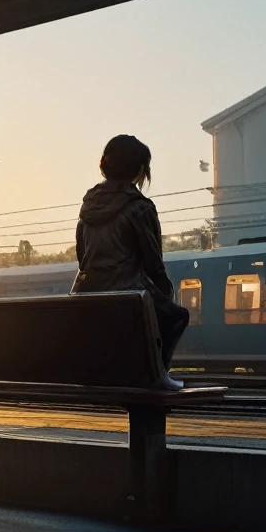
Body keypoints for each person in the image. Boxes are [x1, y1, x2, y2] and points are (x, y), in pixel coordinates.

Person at [71, 135, 189, 370]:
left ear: (104, 164)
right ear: (140, 169)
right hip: (130, 298)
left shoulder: (88, 206)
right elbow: (154, 264)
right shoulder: (140, 208)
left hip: (85, 297)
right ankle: (157, 376)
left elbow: (82, 258)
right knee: (176, 316)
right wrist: (166, 291)